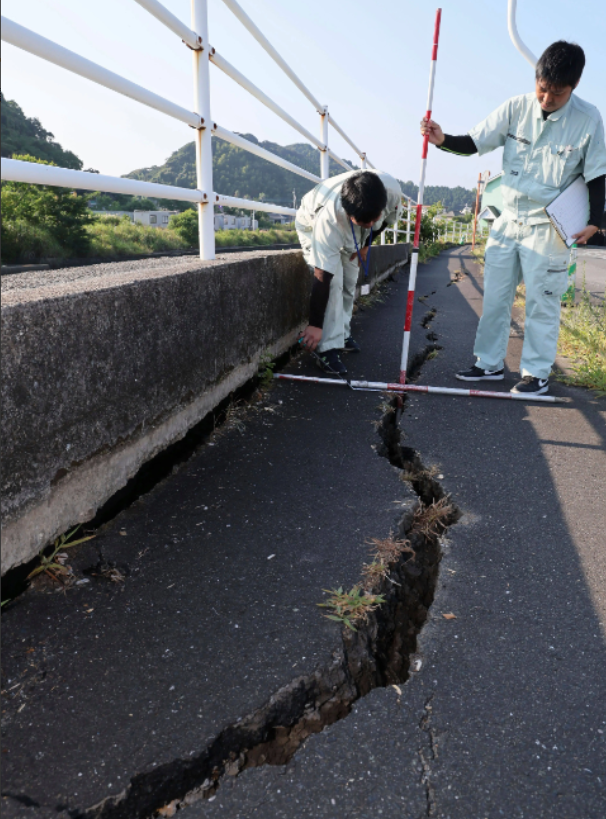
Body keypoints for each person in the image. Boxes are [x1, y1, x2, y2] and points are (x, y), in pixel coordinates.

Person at [421, 40, 606, 395]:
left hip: (548, 227)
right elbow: (476, 142)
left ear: (574, 86)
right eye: (541, 89)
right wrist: (442, 139)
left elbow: (597, 174)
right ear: (535, 79)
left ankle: (536, 373)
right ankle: (488, 364)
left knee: (542, 301)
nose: (546, 99)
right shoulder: (515, 108)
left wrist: (596, 221)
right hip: (508, 221)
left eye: (557, 92)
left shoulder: (588, 119)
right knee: (495, 298)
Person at [295, 169, 402, 374]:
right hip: (311, 224)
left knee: (350, 280)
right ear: (348, 213)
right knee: (334, 283)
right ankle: (327, 348)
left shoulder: (392, 192)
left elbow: (385, 222)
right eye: (365, 222)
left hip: (355, 232)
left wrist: (365, 244)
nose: (371, 224)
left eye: (374, 218)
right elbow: (322, 276)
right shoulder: (329, 220)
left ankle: (342, 334)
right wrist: (315, 325)